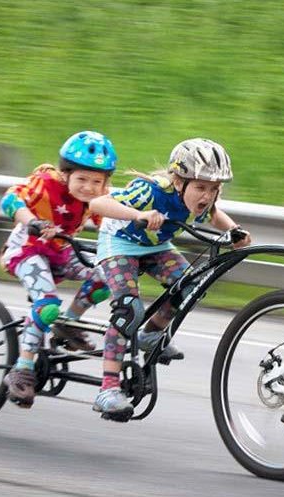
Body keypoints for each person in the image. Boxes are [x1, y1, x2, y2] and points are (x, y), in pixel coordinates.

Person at [88, 138, 251, 421]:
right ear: (179, 182)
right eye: (200, 187)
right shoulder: (151, 191)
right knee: (128, 310)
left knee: (192, 287)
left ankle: (150, 335)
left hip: (155, 246)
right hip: (120, 243)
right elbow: (98, 203)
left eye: (213, 189)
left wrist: (236, 232)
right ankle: (108, 389)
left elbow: (214, 215)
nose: (207, 196)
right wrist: (139, 214)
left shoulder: (203, 202)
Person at [0, 130, 117, 408]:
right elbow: (10, 199)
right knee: (47, 306)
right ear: (66, 175)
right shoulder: (46, 183)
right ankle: (22, 370)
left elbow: (111, 225)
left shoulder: (97, 199)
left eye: (97, 181)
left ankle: (68, 324)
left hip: (61, 252)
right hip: (26, 250)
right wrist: (31, 221)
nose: (89, 187)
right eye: (82, 179)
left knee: (106, 278)